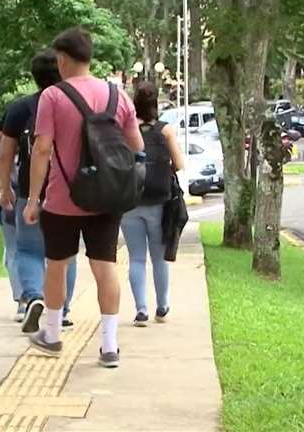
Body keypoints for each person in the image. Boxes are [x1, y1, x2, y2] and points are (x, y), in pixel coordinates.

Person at [23, 28, 144, 368]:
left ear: (61, 59)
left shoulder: (52, 97)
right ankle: (109, 345)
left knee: (58, 266)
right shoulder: (117, 95)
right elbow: (137, 146)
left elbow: (42, 149)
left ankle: (52, 334)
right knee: (105, 267)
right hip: (106, 197)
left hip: (63, 199)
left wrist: (33, 199)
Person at [0, 50, 78, 333]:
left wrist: (3, 185)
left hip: (29, 190)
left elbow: (5, 153)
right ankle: (63, 309)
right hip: (68, 191)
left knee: (28, 249)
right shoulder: (72, 104)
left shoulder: (20, 108)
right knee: (65, 253)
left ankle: (33, 296)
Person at [121, 82, 185, 327]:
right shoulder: (165, 130)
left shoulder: (126, 131)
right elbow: (178, 164)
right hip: (159, 202)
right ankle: (162, 305)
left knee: (136, 258)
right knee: (158, 258)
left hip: (130, 202)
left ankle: (141, 310)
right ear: (155, 103)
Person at [0, 120, 24, 321]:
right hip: (35, 203)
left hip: (9, 203)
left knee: (12, 252)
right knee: (38, 251)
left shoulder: (0, 148)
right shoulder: (39, 140)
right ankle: (37, 292)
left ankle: (21, 301)